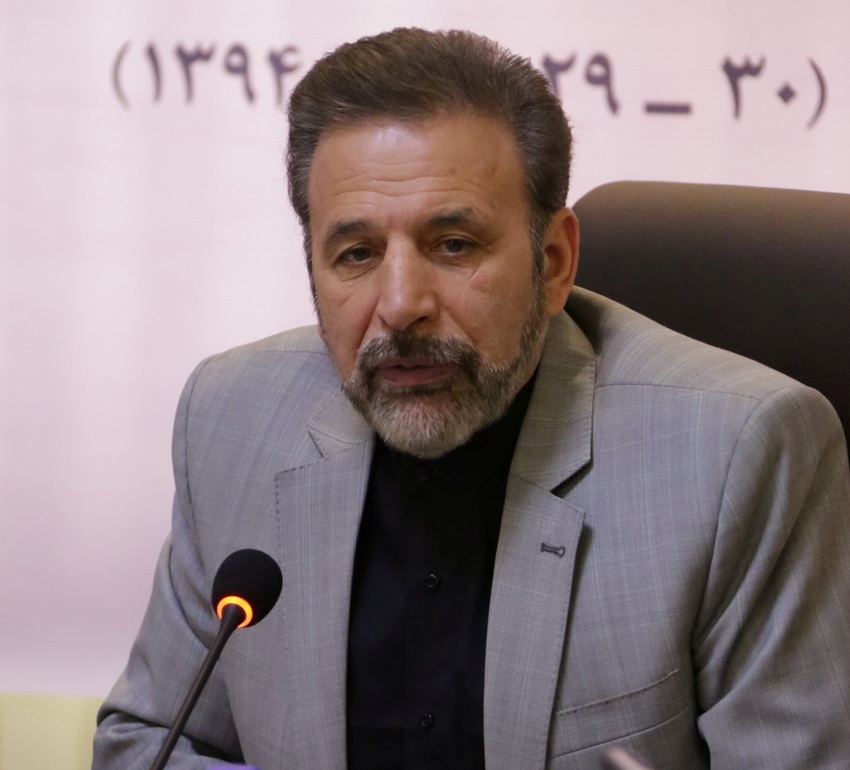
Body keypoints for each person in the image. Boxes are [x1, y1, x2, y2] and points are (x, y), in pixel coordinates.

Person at [92, 27, 850, 770]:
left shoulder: (739, 456)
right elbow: (145, 746)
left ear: (554, 262)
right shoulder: (230, 418)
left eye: (453, 245)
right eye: (356, 254)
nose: (400, 306)